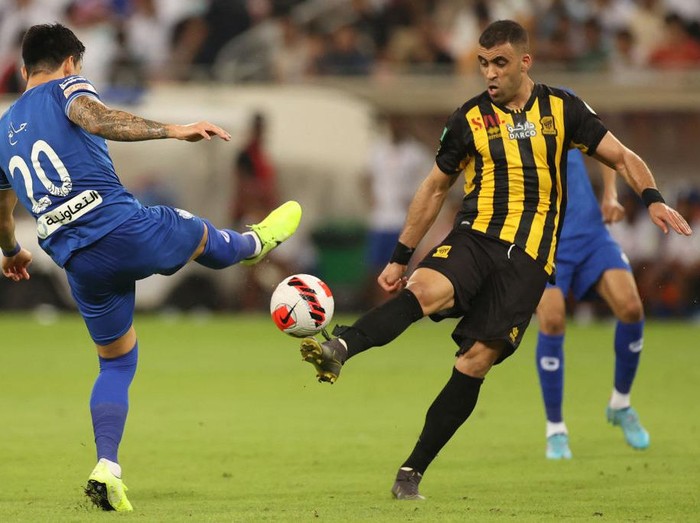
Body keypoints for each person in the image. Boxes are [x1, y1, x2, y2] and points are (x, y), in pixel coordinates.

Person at [298, 19, 692, 501]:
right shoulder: (468, 119)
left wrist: (652, 197)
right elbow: (434, 188)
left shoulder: (562, 108)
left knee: (475, 360)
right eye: (483, 63)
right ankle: (341, 349)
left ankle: (411, 472)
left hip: (528, 260)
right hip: (477, 236)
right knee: (422, 290)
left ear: (525, 62)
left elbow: (622, 155)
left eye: (499, 62)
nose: (490, 72)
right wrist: (402, 255)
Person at [0, 24, 302, 512]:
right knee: (201, 234)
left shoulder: (1, 131)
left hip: (77, 262)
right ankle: (253, 243)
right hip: (121, 229)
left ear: (21, 68)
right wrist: (172, 129)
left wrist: (11, 249)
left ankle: (107, 466)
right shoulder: (68, 88)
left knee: (117, 361)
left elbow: (3, 206)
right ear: (71, 62)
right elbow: (96, 118)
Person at [536, 148, 648, 461]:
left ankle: (620, 404)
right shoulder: (499, 118)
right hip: (545, 239)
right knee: (553, 321)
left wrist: (610, 194)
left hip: (589, 231)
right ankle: (555, 428)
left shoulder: (564, 102)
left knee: (631, 307)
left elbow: (606, 148)